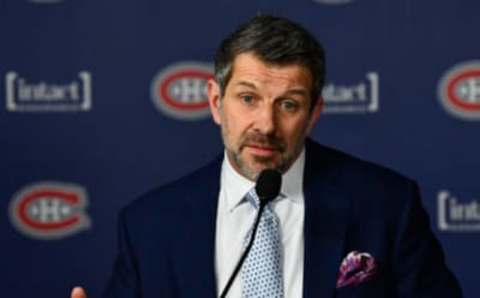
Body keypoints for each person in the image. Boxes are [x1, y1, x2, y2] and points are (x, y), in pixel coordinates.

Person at [71, 15, 462, 298]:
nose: (266, 124)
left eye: (288, 104)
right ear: (215, 102)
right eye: (248, 98)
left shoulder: (387, 205)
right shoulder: (149, 226)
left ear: (313, 114)